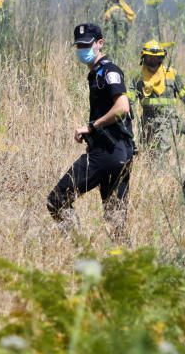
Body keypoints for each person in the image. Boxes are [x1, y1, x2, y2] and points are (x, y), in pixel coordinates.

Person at [47, 23, 135, 240]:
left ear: (100, 44)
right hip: (120, 154)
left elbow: (123, 107)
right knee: (115, 223)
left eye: (86, 45)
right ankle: (125, 266)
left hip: (107, 154)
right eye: (78, 46)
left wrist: (93, 126)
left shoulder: (109, 71)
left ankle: (78, 247)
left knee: (56, 199)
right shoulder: (97, 73)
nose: (82, 50)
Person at [129, 39, 185, 153]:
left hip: (168, 122)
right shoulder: (138, 77)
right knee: (149, 154)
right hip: (147, 122)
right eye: (150, 58)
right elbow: (129, 97)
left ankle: (161, 170)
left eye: (157, 58)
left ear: (162, 58)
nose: (153, 61)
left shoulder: (171, 73)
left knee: (162, 154)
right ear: (143, 58)